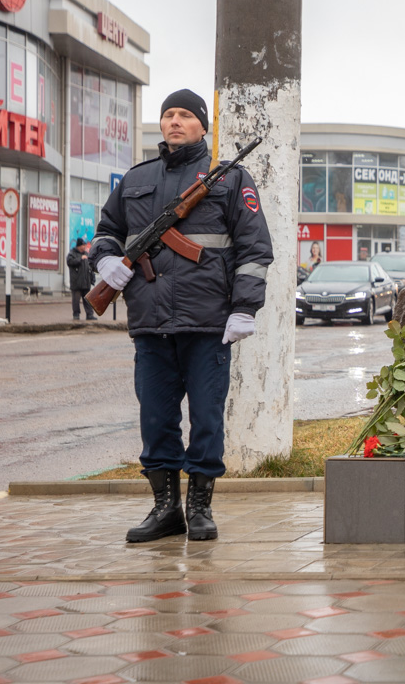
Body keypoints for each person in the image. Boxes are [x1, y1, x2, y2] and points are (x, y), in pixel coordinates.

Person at [91, 88, 274, 543]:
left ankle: (201, 507)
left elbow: (255, 249)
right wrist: (105, 262)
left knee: (207, 418)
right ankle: (165, 509)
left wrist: (245, 308)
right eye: (168, 114)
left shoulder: (230, 180)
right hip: (151, 321)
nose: (174, 121)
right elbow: (106, 232)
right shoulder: (135, 179)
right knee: (155, 418)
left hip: (209, 322)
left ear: (201, 126)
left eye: (184, 116)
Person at [66, 237, 97, 321]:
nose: (84, 247)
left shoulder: (87, 254)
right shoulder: (72, 254)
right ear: (78, 246)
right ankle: (76, 315)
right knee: (76, 300)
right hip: (76, 282)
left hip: (86, 282)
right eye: (83, 245)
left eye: (84, 245)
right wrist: (80, 259)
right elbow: (69, 262)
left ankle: (89, 314)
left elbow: (91, 267)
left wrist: (92, 278)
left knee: (88, 300)